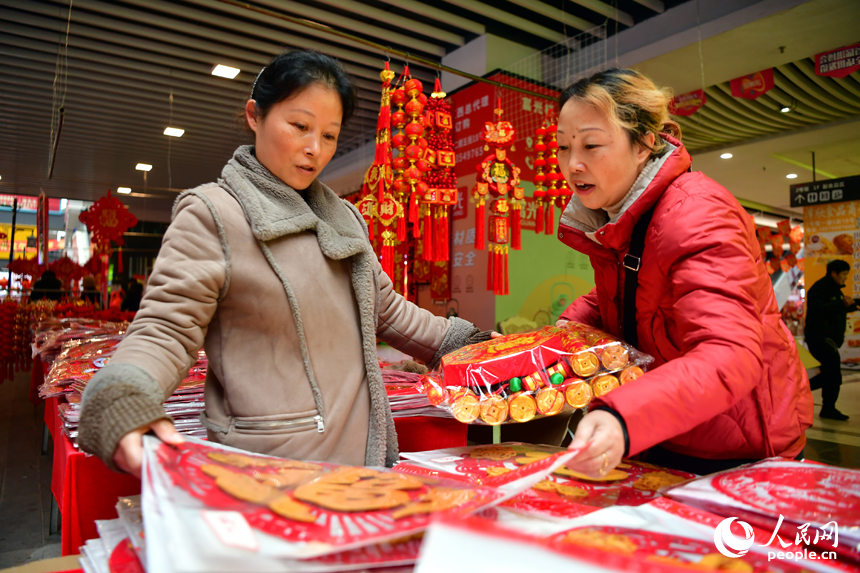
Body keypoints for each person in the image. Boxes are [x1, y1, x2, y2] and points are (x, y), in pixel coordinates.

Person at [78, 49, 490, 477]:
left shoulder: (344, 219)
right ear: (255, 115)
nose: (315, 149)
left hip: (362, 468)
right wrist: (123, 400)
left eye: (329, 136)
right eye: (299, 126)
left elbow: (387, 310)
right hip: (267, 469)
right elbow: (165, 330)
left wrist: (479, 345)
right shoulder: (214, 214)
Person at [554, 69, 812, 476]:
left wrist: (624, 416)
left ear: (644, 144)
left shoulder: (697, 212)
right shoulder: (620, 217)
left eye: (591, 145)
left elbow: (730, 353)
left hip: (738, 448)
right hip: (669, 433)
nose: (573, 164)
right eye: (564, 147)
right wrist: (559, 335)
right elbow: (638, 292)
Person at [805, 259, 858, 420]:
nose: (845, 278)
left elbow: (837, 309)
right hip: (820, 338)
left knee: (830, 374)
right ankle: (824, 406)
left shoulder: (835, 289)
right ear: (833, 273)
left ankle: (823, 405)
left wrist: (851, 304)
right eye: (843, 274)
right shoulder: (820, 288)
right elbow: (819, 309)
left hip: (828, 339)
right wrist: (841, 304)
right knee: (833, 375)